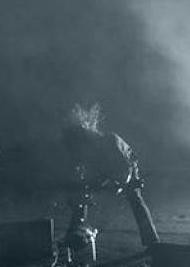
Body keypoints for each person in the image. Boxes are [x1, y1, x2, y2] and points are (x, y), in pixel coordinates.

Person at [62, 103, 160, 249]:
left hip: (127, 167)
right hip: (104, 169)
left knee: (135, 199)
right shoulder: (83, 147)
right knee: (83, 193)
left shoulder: (111, 141)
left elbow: (124, 168)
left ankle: (152, 241)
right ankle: (76, 231)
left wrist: (119, 184)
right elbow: (79, 169)